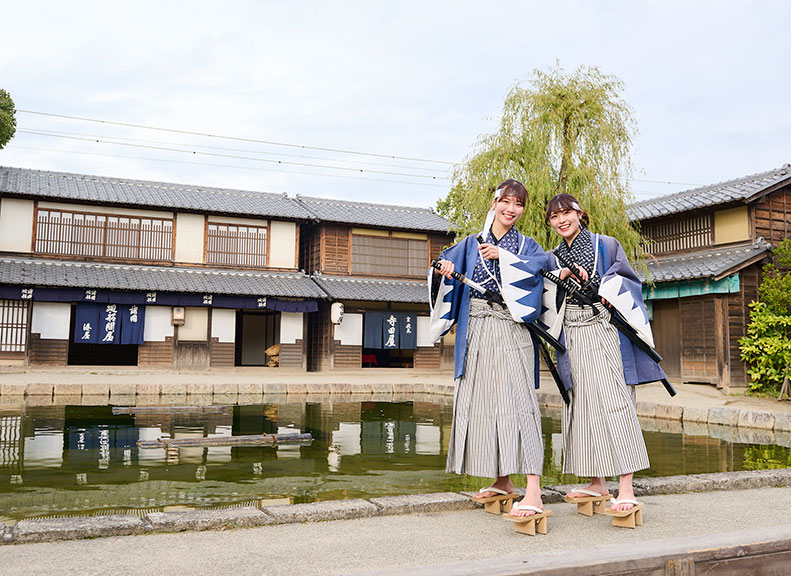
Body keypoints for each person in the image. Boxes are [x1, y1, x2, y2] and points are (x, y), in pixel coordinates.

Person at [428, 179, 548, 518]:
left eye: (519, 204)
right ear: (494, 203)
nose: (511, 210)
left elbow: (544, 268)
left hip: (512, 327)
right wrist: (445, 270)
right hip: (477, 327)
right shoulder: (470, 244)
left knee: (520, 401)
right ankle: (502, 480)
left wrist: (505, 257)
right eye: (506, 202)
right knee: (486, 400)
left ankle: (534, 490)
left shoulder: (527, 245)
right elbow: (438, 267)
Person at [541, 193, 666, 514]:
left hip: (604, 327)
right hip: (572, 331)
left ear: (581, 213)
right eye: (554, 216)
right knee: (580, 403)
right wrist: (561, 278)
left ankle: (625, 487)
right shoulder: (553, 256)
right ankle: (596, 481)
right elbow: (543, 291)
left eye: (566, 212)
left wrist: (599, 283)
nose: (561, 220)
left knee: (615, 401)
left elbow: (626, 280)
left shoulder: (605, 244)